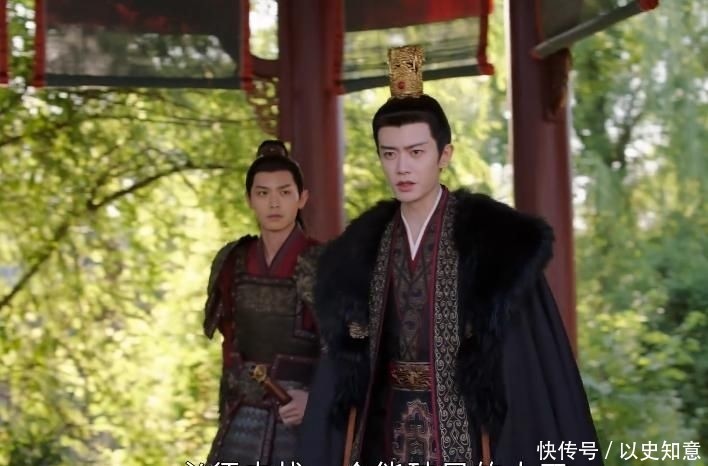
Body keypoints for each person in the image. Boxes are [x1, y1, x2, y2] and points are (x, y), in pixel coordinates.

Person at [298, 46, 602, 466]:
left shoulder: (494, 245)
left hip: (467, 435)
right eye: (389, 153)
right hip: (383, 430)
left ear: (445, 155)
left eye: (416, 152)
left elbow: (527, 365)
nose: (402, 168)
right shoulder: (361, 250)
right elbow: (344, 366)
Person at [203, 140, 321, 465]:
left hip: (299, 412)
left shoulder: (325, 262)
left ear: (302, 198)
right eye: (263, 193)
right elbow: (230, 344)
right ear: (249, 200)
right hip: (243, 413)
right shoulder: (233, 261)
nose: (274, 203)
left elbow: (345, 350)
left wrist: (315, 400)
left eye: (284, 192)